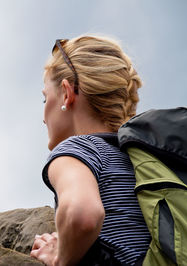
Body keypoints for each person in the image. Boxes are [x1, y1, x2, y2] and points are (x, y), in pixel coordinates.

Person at [30, 36, 151, 266]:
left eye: (45, 98)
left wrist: (60, 258)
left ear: (67, 93)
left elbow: (83, 215)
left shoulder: (77, 150)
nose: (43, 117)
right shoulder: (145, 157)